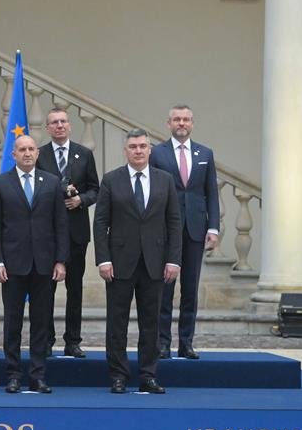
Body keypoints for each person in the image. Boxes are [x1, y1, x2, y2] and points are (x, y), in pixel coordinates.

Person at [93, 129, 182, 394]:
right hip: (119, 263)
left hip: (155, 262)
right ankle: (118, 375)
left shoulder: (165, 180)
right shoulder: (111, 180)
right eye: (133, 146)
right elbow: (100, 223)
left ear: (150, 149)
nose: (138, 150)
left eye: (143, 146)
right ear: (126, 150)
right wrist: (103, 259)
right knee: (117, 322)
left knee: (151, 323)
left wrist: (174, 260)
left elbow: (174, 223)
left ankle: (148, 375)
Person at [0, 135, 68, 394]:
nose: (27, 153)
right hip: (12, 264)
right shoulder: (0, 184)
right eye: (22, 150)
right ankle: (12, 374)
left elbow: (61, 225)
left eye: (32, 149)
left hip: (44, 264)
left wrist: (61, 260)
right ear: (14, 155)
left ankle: (37, 375)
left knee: (41, 321)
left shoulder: (52, 183)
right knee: (13, 322)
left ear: (37, 153)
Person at [150, 104, 220, 360]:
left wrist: (213, 228)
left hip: (195, 229)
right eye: (177, 119)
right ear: (168, 123)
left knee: (190, 289)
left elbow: (211, 193)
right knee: (165, 289)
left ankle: (186, 343)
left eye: (186, 119)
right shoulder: (157, 153)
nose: (182, 123)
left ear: (192, 123)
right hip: (165, 231)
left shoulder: (205, 153)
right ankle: (162, 343)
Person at [36, 107, 100, 358]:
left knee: (75, 288)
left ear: (70, 126)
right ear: (48, 128)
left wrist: (80, 200)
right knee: (46, 289)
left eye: (63, 121)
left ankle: (73, 340)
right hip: (48, 233)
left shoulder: (84, 154)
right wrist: (60, 192)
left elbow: (96, 189)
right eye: (54, 122)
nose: (60, 126)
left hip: (76, 232)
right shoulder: (39, 155)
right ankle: (47, 339)